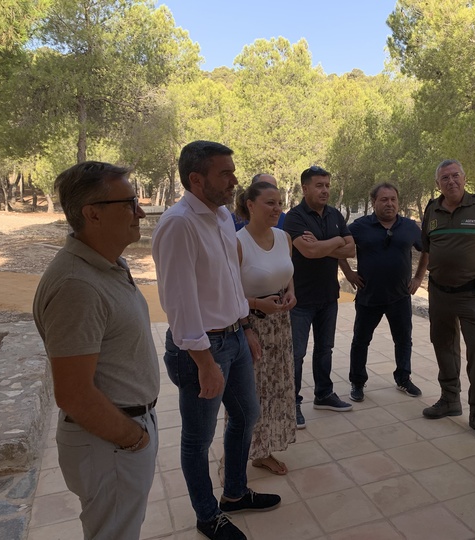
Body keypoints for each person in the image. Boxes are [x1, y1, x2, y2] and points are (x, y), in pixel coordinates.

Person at [152, 141, 280, 540]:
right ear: (196, 179)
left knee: (246, 415)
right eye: (224, 173)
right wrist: (204, 362)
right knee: (198, 438)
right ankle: (207, 516)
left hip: (234, 338)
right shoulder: (178, 224)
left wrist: (245, 325)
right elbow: (180, 302)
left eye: (233, 170)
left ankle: (236, 494)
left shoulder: (223, 216)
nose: (234, 179)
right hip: (201, 349)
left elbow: (227, 281)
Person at [33, 161, 159, 539]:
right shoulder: (78, 286)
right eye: (129, 202)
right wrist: (132, 438)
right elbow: (73, 393)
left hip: (119, 436)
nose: (140, 211)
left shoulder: (104, 264)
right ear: (92, 214)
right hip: (110, 442)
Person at [421, 159, 475, 440]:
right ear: (438, 184)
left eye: (455, 175)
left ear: (464, 177)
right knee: (443, 346)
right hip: (439, 293)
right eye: (444, 178)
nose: (451, 182)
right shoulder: (431, 209)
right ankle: (450, 400)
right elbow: (428, 247)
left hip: (471, 295)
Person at [339, 182, 428, 401]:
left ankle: (403, 379)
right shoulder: (359, 227)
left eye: (393, 199)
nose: (389, 203)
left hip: (400, 296)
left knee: (404, 340)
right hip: (369, 297)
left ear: (398, 202)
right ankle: (357, 382)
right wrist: (348, 273)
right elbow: (340, 248)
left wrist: (418, 278)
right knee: (361, 341)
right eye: (384, 199)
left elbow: (426, 249)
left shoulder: (409, 226)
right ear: (374, 202)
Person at [283, 165, 356, 428]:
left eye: (327, 185)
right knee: (297, 354)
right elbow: (309, 252)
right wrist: (337, 241)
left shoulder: (335, 214)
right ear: (305, 188)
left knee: (325, 349)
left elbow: (351, 250)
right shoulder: (294, 218)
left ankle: (323, 394)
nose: (325, 190)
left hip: (328, 297)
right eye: (319, 185)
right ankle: (292, 402)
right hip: (300, 300)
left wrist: (326, 243)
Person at [236, 180, 296, 475]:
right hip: (251, 325)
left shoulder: (284, 237)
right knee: (252, 395)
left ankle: (264, 450)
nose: (277, 209)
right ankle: (240, 454)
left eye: (279, 203)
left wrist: (291, 292)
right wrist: (256, 311)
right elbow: (229, 295)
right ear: (250, 205)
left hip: (280, 325)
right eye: (270, 203)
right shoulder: (237, 242)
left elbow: (287, 271)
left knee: (277, 391)